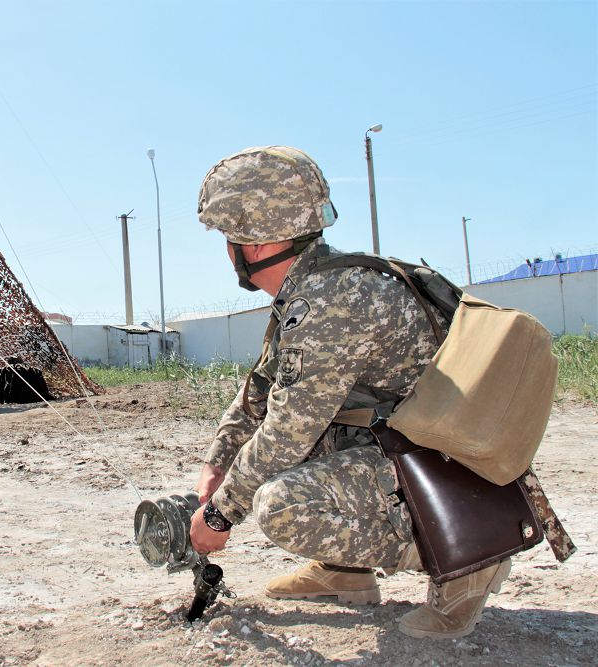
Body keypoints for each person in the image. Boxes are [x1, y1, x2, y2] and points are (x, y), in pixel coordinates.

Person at [186, 145, 510, 639]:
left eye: (227, 236)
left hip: (443, 468)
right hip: (408, 448)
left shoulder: (330, 302)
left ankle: (465, 558)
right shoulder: (312, 286)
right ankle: (345, 571)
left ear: (248, 244)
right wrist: (217, 462)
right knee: (280, 453)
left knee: (279, 502)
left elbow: (286, 432)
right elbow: (261, 391)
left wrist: (219, 514)